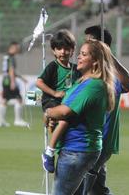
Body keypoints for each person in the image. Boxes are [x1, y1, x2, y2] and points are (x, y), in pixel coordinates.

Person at [44, 39, 117, 194]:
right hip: (78, 149)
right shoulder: (85, 82)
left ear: (96, 62)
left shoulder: (93, 85)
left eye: (84, 54)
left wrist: (49, 112)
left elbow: (64, 111)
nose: (78, 57)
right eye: (80, 54)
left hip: (77, 149)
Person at [75, 25, 129, 195]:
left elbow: (127, 85)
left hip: (103, 138)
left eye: (89, 41)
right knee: (98, 189)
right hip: (83, 138)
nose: (84, 45)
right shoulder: (84, 70)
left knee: (82, 181)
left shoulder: (111, 74)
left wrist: (107, 54)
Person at [36, 29, 81, 173]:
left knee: (67, 122)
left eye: (67, 49)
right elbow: (39, 82)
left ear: (72, 50)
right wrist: (54, 93)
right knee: (64, 120)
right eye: (59, 49)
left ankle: (49, 120)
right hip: (52, 101)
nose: (63, 52)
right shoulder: (53, 66)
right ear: (53, 51)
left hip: (66, 103)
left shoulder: (75, 69)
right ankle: (49, 152)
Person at [0, 41, 29, 127]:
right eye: (17, 48)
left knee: (4, 100)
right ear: (12, 48)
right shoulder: (11, 57)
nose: (18, 49)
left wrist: (21, 78)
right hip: (10, 81)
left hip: (5, 80)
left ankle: (1, 121)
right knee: (19, 99)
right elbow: (11, 70)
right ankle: (18, 120)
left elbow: (6, 70)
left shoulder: (6, 57)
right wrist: (13, 82)